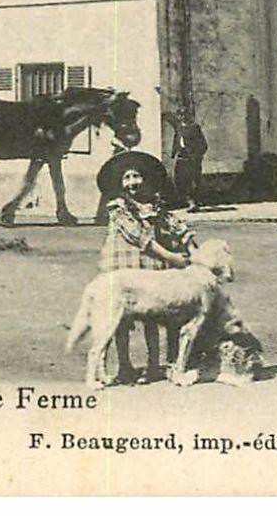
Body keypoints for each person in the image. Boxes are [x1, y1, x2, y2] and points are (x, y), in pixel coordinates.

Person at [97, 166, 198, 384]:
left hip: (148, 267)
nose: (133, 182)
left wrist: (193, 249)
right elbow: (138, 236)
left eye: (137, 176)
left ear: (146, 179)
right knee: (120, 320)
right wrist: (171, 258)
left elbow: (177, 225)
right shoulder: (117, 207)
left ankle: (154, 366)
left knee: (151, 317)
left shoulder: (156, 206)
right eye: (127, 177)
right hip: (122, 266)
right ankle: (124, 366)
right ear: (120, 182)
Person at [170, 107, 209, 211]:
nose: (183, 117)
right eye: (181, 115)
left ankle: (193, 202)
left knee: (193, 179)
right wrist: (174, 153)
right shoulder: (179, 127)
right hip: (181, 155)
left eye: (185, 115)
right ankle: (187, 200)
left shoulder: (195, 128)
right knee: (178, 178)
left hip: (193, 157)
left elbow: (203, 144)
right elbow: (177, 139)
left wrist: (197, 155)